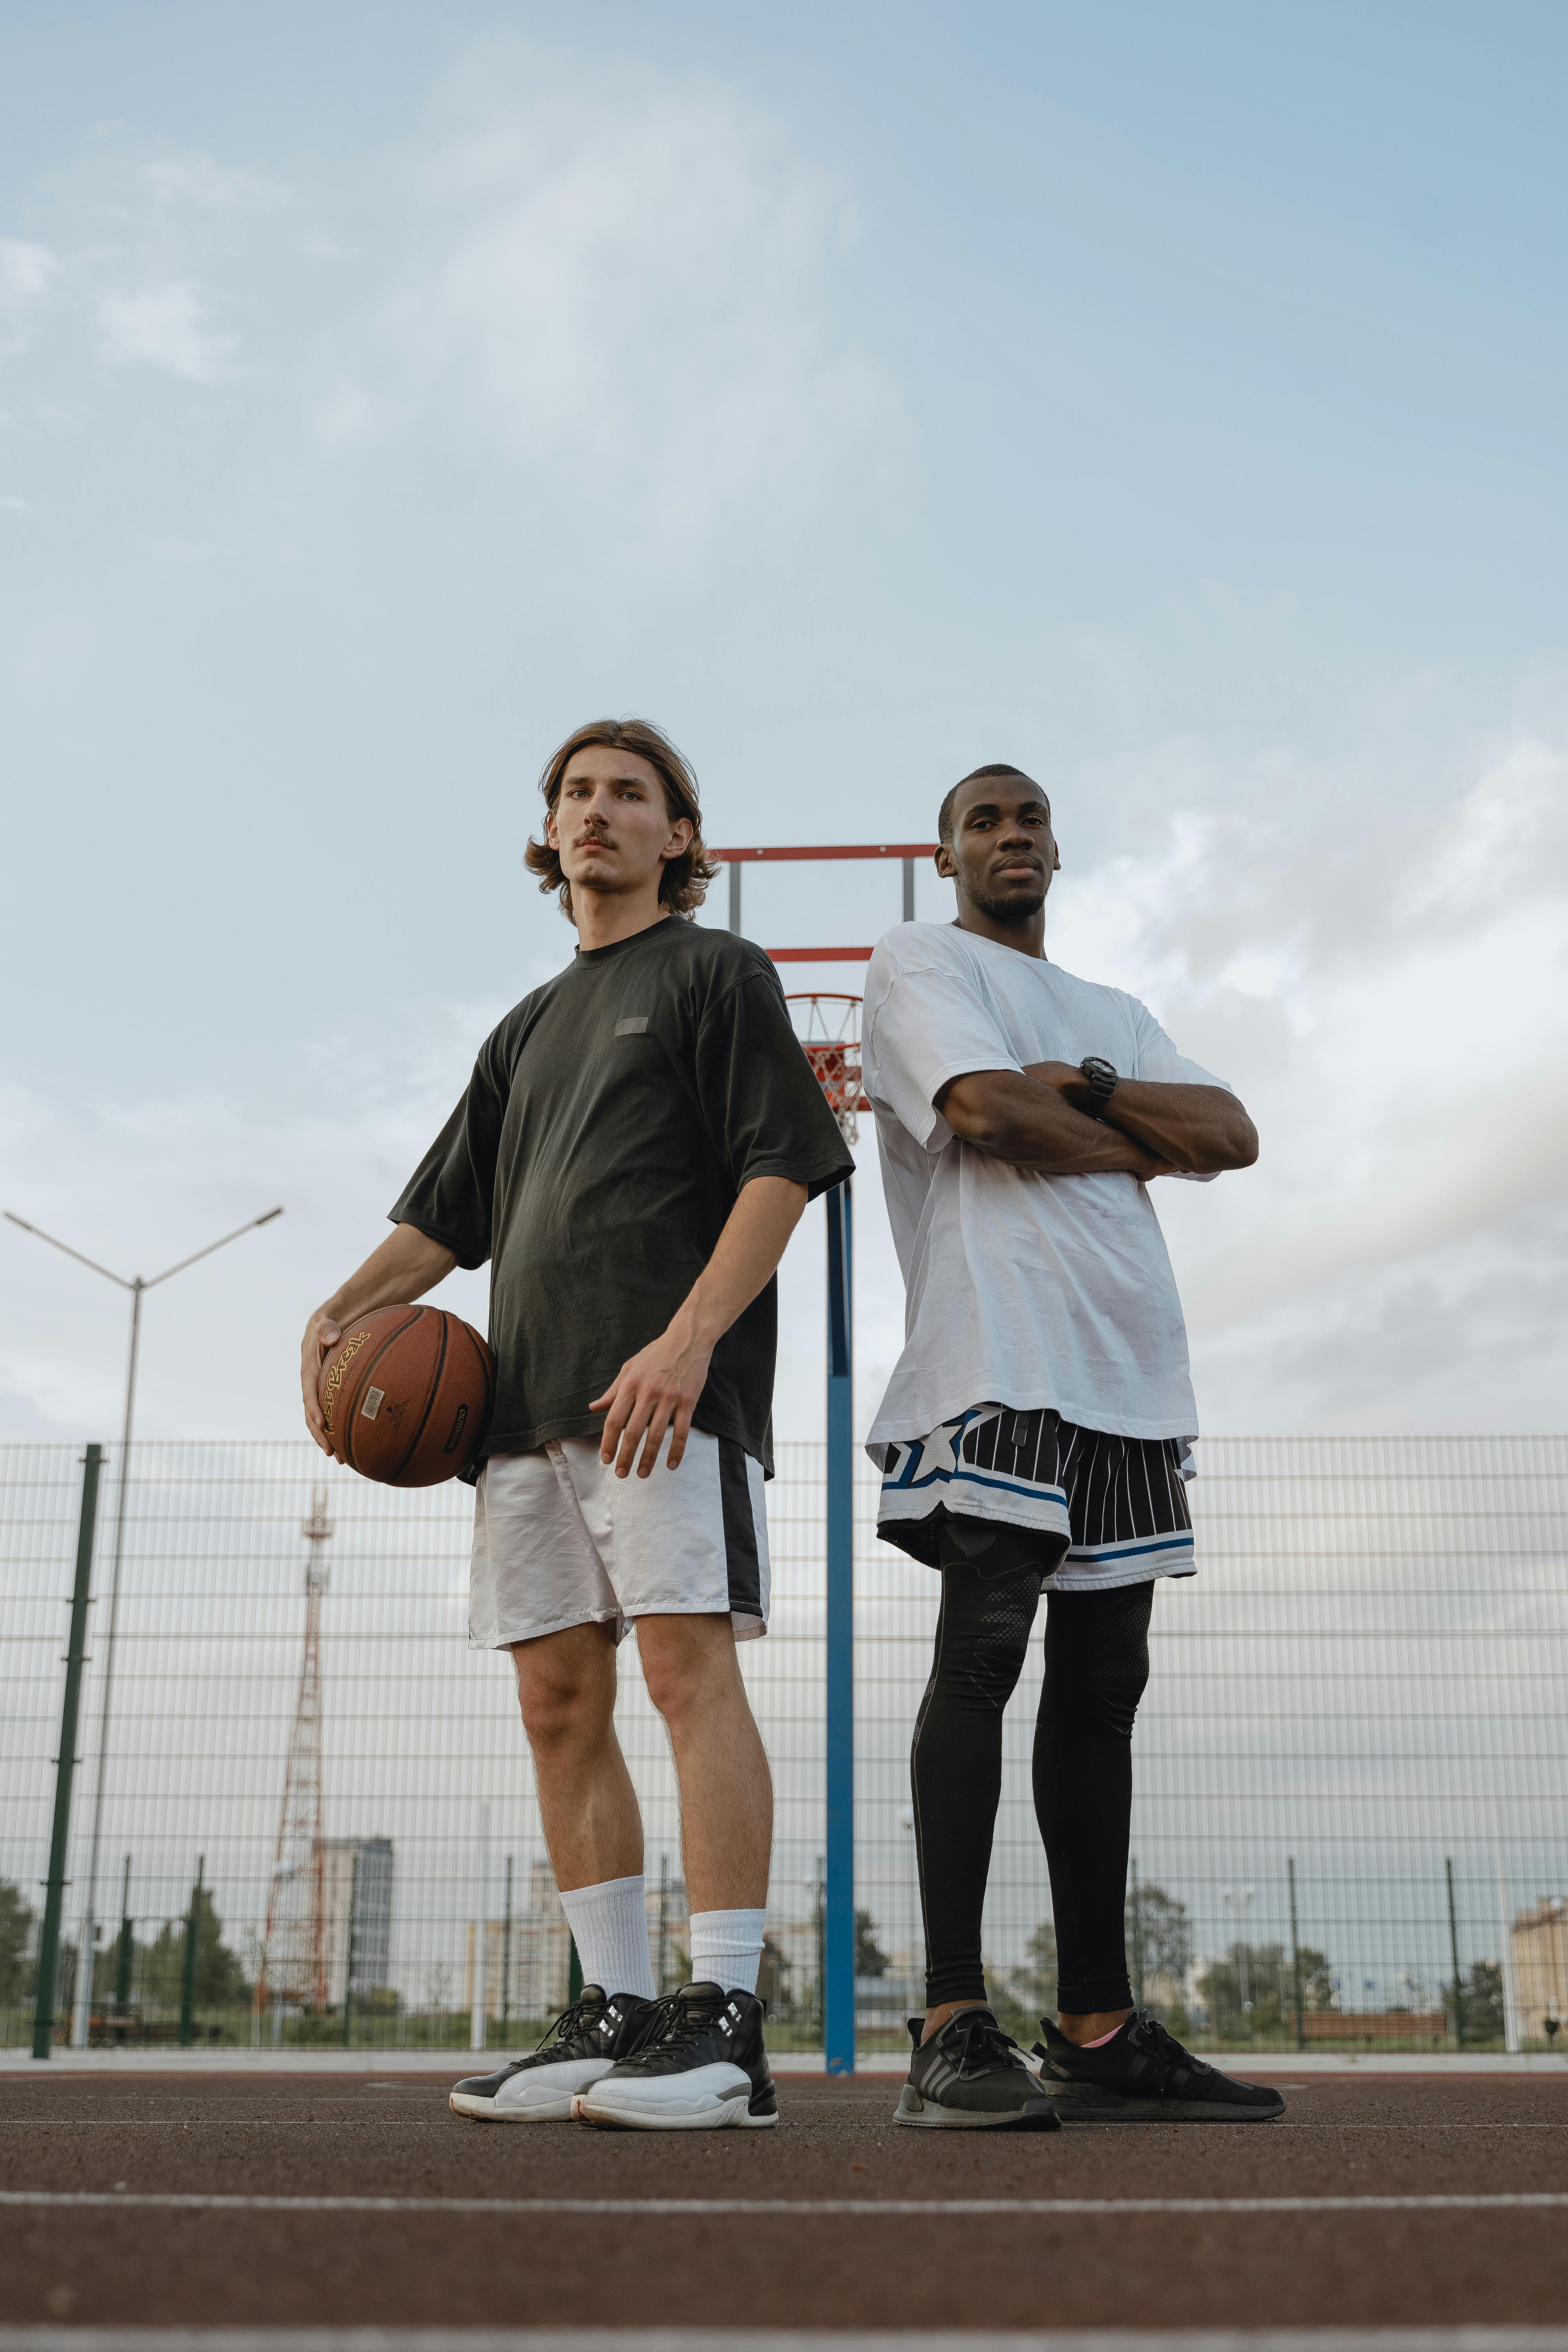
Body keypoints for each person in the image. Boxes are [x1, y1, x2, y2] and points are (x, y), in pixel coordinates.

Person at [300, 718, 853, 2130]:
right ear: (548, 835)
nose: (595, 812)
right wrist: (334, 1321)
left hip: (665, 1392)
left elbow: (784, 1168)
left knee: (686, 1679)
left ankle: (723, 2025)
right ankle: (609, 2009)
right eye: (574, 796)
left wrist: (688, 1339)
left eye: (627, 794)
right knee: (558, 1704)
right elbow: (443, 1221)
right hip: (520, 1410)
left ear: (680, 836)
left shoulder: (715, 973)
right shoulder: (526, 1027)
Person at [862, 763, 1283, 2127]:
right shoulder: (921, 962)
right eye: (982, 820)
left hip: (1128, 1371)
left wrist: (1090, 1092)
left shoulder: (1114, 1015)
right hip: (1001, 1353)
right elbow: (983, 1113)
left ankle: (1095, 2025)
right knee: (982, 1654)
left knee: (1103, 1690)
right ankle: (948, 2018)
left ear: (1058, 846)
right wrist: (1130, 1134)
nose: (1010, 836)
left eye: (1028, 817)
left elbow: (1231, 1133)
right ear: (945, 854)